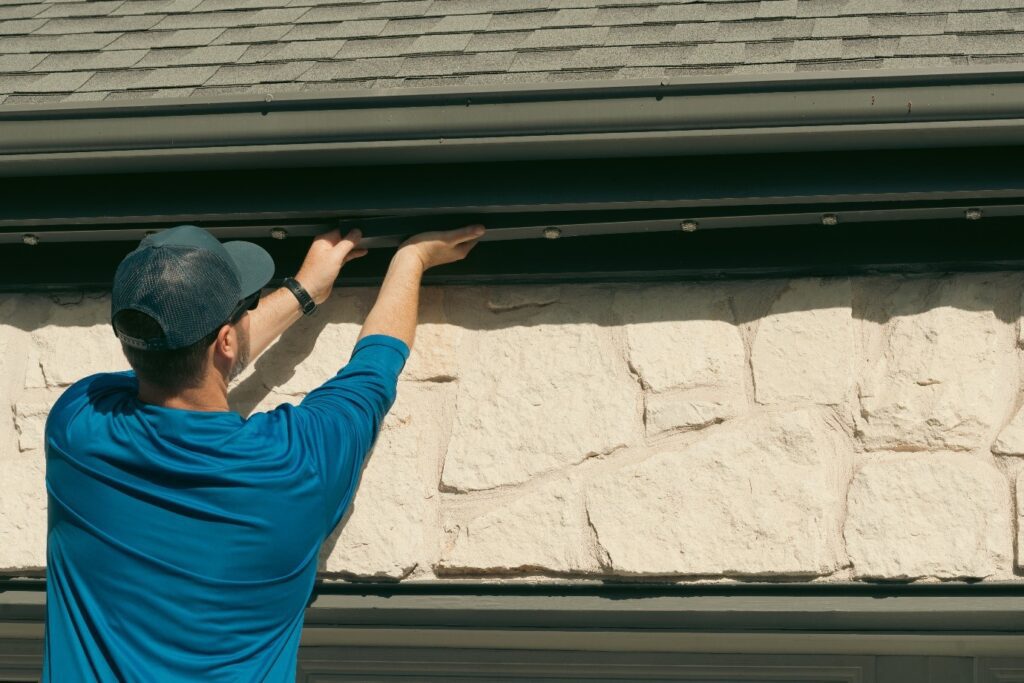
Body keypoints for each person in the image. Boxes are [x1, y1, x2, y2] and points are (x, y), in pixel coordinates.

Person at [42, 223, 486, 682]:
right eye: (245, 309)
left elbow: (189, 362)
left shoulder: (77, 425)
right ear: (227, 340)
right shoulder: (296, 463)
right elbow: (374, 369)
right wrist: (411, 259)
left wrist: (306, 288)